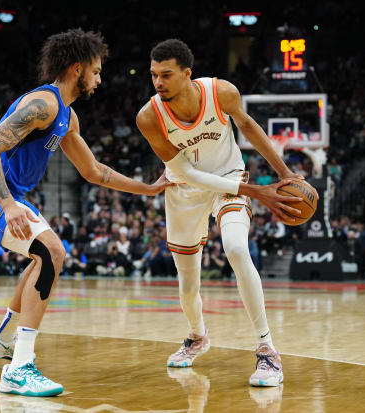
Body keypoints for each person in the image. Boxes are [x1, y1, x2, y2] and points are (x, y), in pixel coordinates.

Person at [0, 29, 171, 397]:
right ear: (77, 69)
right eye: (97, 71)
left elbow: (94, 171)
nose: (100, 79)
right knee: (52, 252)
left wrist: (148, 187)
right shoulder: (43, 104)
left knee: (44, 255)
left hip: (10, 195)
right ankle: (19, 368)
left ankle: (2, 340)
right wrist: (7, 205)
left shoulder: (67, 117)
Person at [135, 39, 316, 387]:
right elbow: (184, 173)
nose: (158, 82)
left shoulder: (221, 93)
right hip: (184, 190)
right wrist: (254, 191)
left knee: (235, 248)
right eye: (153, 74)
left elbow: (248, 127)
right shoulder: (148, 116)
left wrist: (285, 174)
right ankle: (197, 335)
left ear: (187, 73)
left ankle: (266, 349)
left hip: (229, 177)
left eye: (166, 75)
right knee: (188, 283)